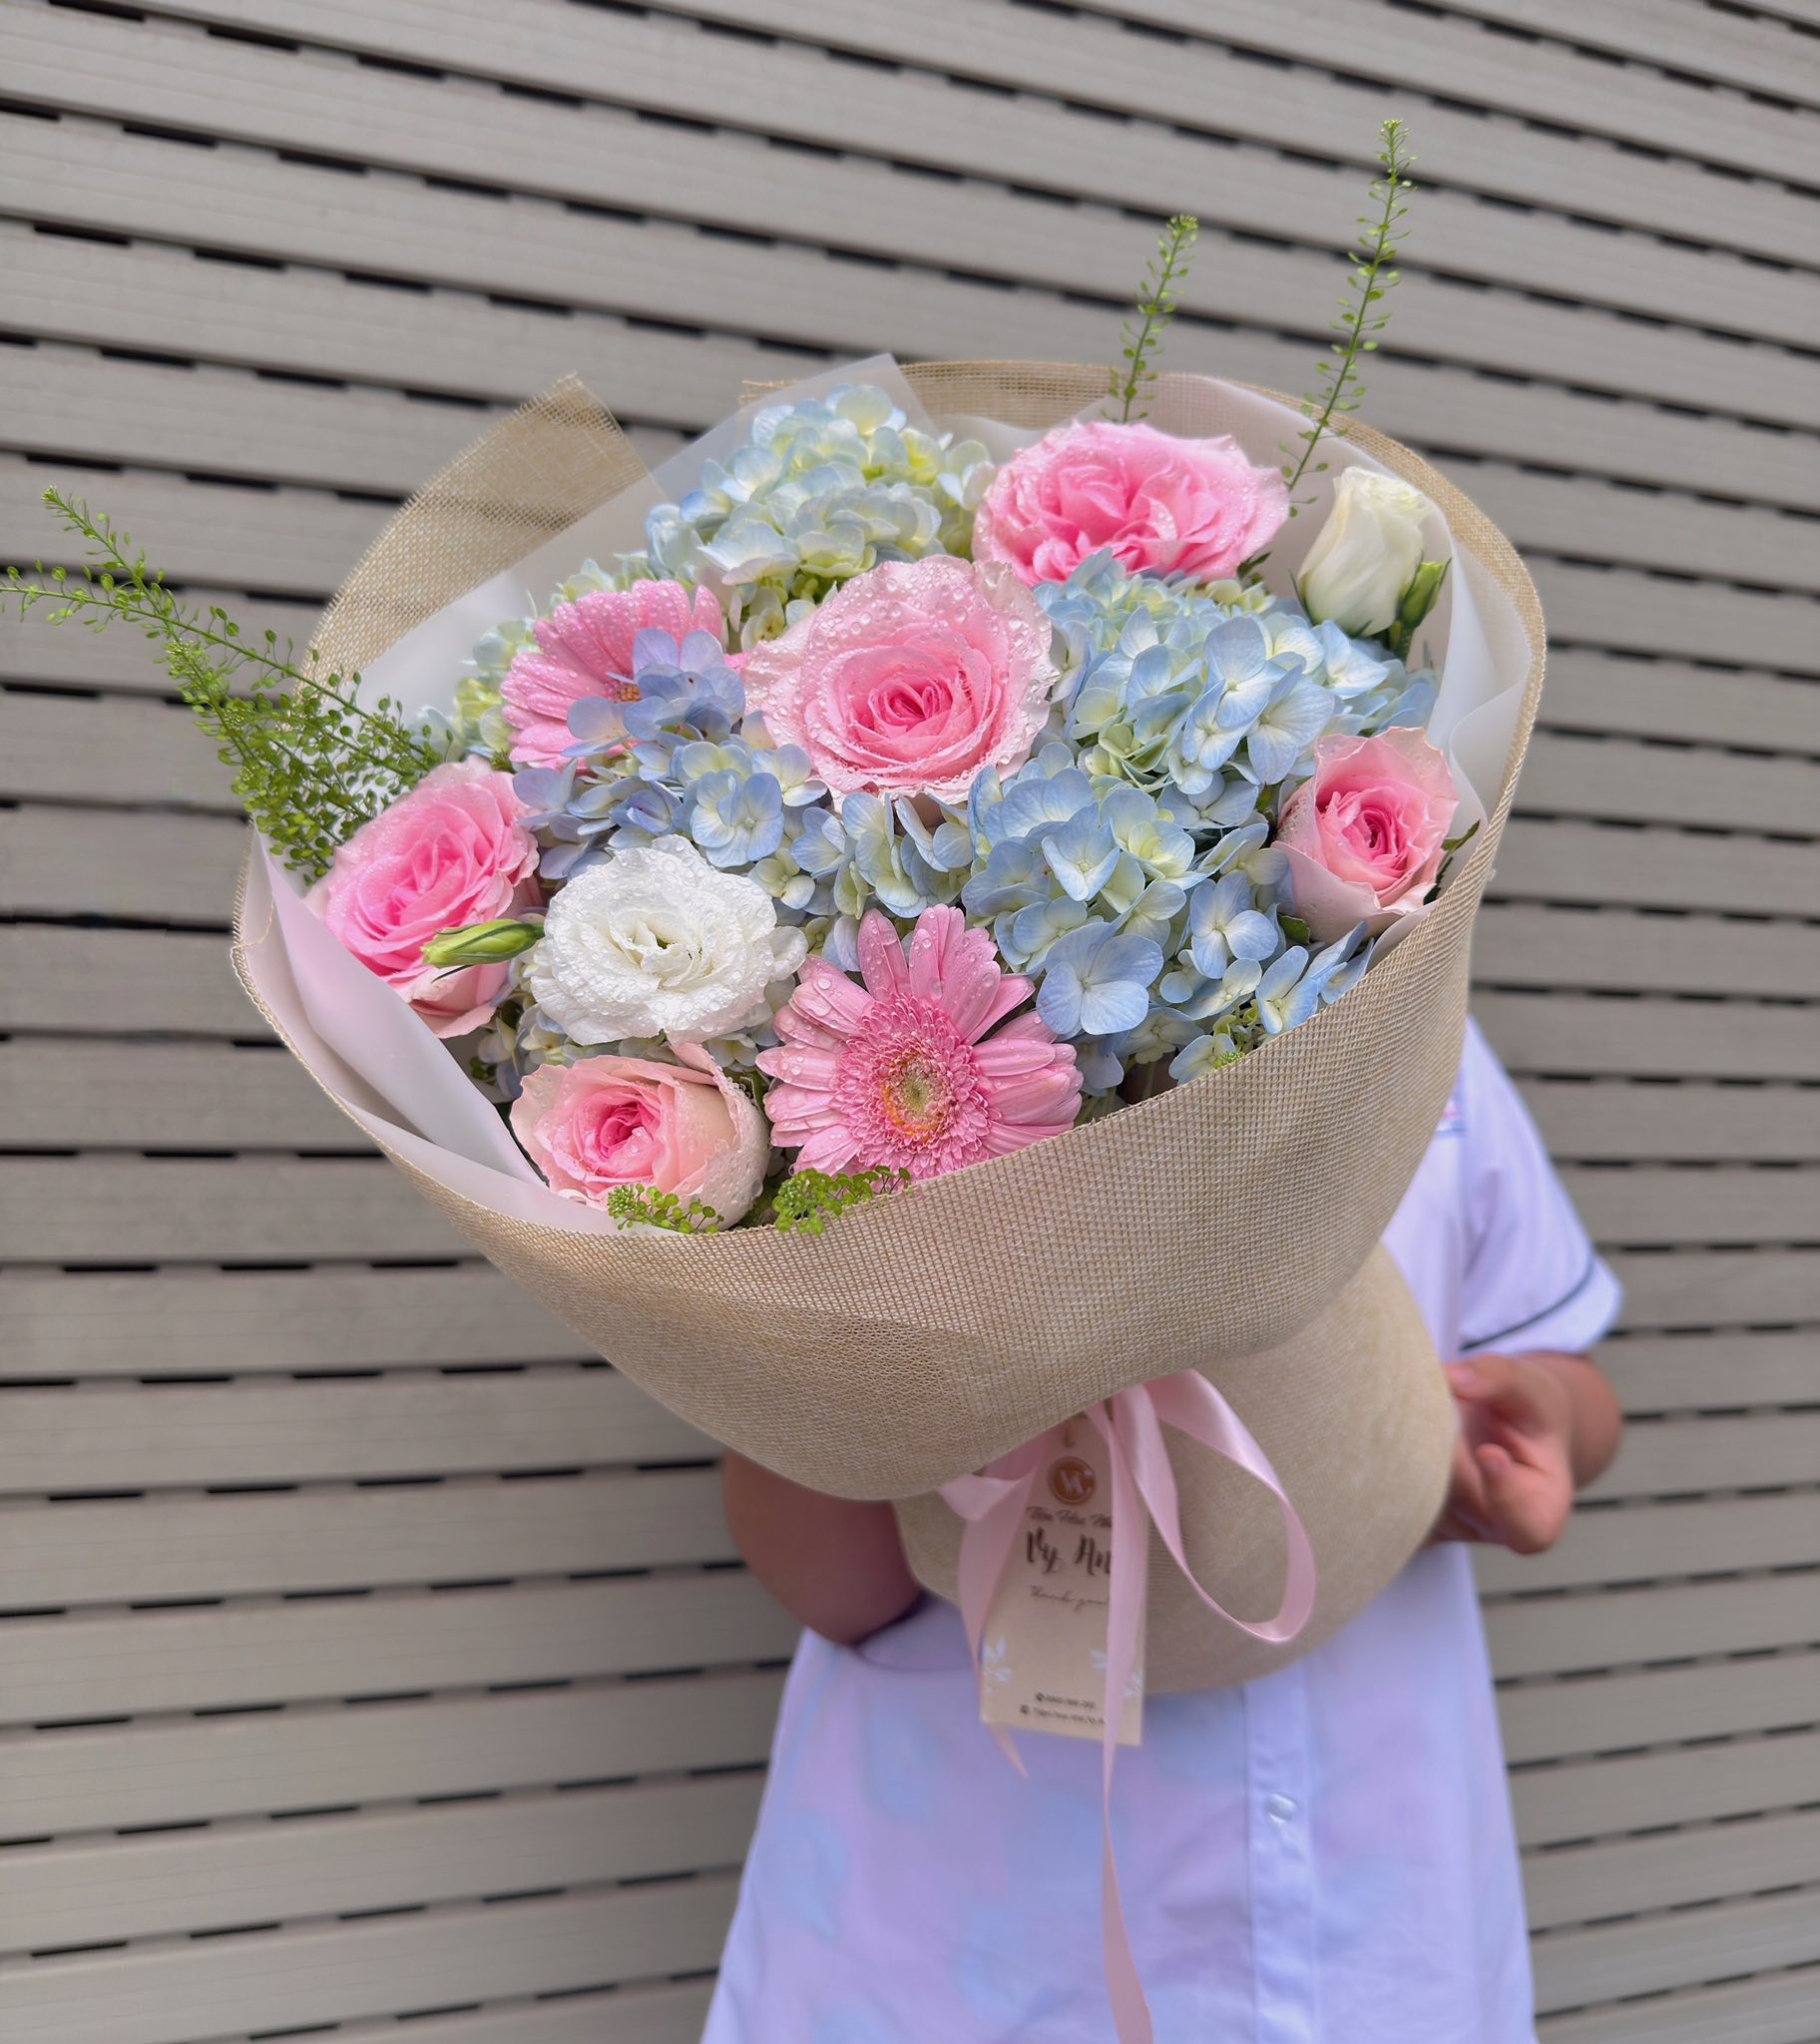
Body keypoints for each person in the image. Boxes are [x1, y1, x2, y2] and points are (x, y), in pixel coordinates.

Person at [703, 1018, 1623, 2043]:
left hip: (1376, 1896)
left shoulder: (1416, 1028)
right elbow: (838, 1588)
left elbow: (1553, 1357)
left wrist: (1533, 1421)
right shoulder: (855, 1062)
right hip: (972, 1931)